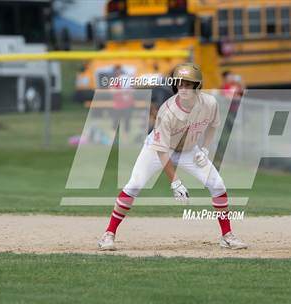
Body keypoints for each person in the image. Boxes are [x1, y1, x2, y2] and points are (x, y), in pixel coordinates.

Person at [98, 63, 247, 251]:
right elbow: (162, 151)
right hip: (157, 149)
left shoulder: (209, 103)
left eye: (188, 83)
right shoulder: (167, 111)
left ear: (197, 85)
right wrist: (175, 182)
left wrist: (206, 149)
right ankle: (108, 234)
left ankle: (227, 236)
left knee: (217, 186)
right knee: (134, 185)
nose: (183, 87)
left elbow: (213, 125)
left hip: (189, 150)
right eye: (180, 83)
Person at [111, 65, 134, 136]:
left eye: (119, 70)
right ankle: (113, 136)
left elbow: (132, 89)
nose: (118, 72)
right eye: (116, 70)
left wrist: (127, 91)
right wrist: (122, 91)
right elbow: (112, 90)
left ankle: (125, 136)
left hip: (127, 104)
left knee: (127, 121)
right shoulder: (115, 80)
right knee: (115, 121)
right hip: (118, 104)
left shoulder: (127, 79)